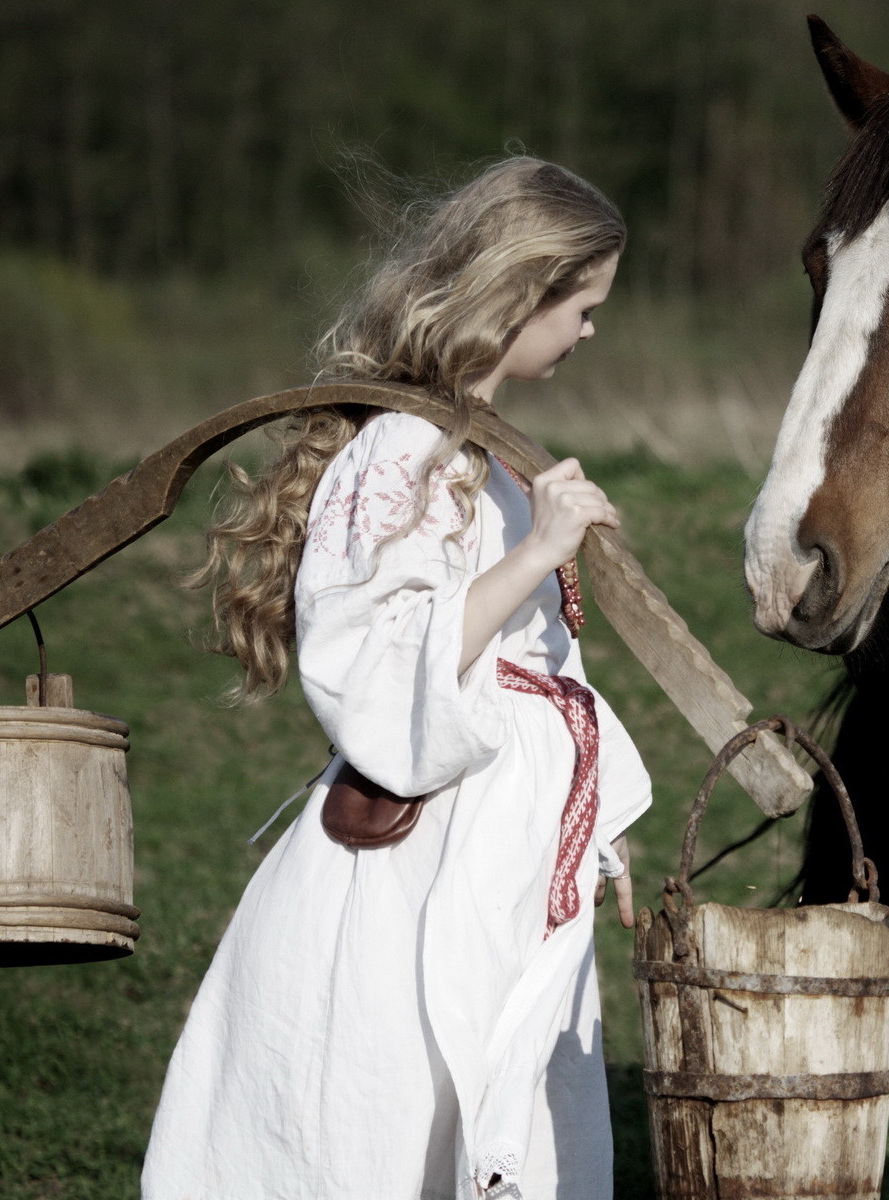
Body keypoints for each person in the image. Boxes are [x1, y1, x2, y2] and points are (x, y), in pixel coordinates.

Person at [142, 157, 651, 1200]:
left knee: (505, 1099)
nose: (592, 330)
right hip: (422, 865)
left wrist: (598, 833)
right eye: (584, 306)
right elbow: (368, 656)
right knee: (392, 1109)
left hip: (506, 855)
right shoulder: (403, 452)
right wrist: (534, 553)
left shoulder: (494, 454)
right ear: (520, 296)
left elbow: (546, 673)